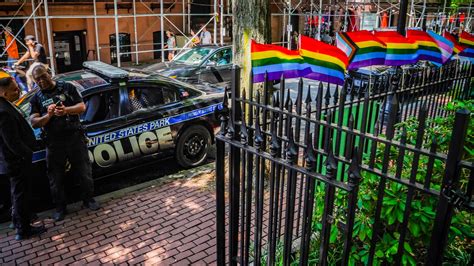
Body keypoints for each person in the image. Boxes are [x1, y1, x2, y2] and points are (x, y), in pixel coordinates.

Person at [29, 65, 99, 222]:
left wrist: (66, 110)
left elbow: (82, 106)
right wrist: (48, 115)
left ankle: (89, 200)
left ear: (49, 73)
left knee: (84, 172)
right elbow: (34, 122)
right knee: (55, 178)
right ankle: (60, 208)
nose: (41, 81)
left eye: (43, 76)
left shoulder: (67, 88)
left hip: (74, 138)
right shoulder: (36, 98)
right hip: (53, 143)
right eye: (37, 79)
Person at [0, 77, 46, 240]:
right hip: (17, 162)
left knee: (17, 194)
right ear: (4, 93)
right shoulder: (3, 112)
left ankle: (17, 222)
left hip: (13, 161)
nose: (18, 91)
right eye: (14, 90)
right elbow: (12, 142)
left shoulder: (5, 106)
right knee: (21, 195)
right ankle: (23, 229)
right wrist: (27, 153)